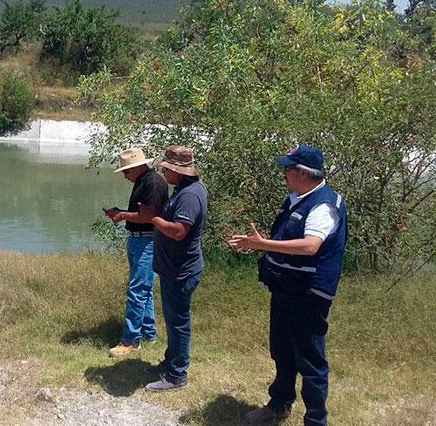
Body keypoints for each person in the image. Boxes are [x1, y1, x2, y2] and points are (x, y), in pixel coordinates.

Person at [228, 145, 347, 425]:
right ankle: (279, 404)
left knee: (310, 360)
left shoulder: (323, 205)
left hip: (307, 294)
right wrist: (261, 246)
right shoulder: (296, 198)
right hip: (285, 289)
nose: (284, 174)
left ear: (303, 173)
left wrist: (262, 244)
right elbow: (289, 239)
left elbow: (310, 246)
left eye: (287, 169)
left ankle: (316, 420)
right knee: (281, 350)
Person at [136, 145, 208, 392]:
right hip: (174, 268)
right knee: (173, 320)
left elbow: (179, 231)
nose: (164, 172)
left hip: (181, 270)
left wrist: (151, 219)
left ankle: (177, 375)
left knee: (178, 322)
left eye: (167, 168)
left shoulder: (189, 196)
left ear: (179, 170)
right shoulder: (184, 190)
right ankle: (170, 363)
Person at [104, 148, 168, 357]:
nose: (124, 176)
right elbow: (141, 214)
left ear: (136, 167)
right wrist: (121, 213)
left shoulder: (152, 183)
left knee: (137, 291)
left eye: (125, 171)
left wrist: (122, 215)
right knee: (143, 290)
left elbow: (149, 217)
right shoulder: (144, 181)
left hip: (147, 241)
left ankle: (130, 340)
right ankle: (148, 334)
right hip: (138, 241)